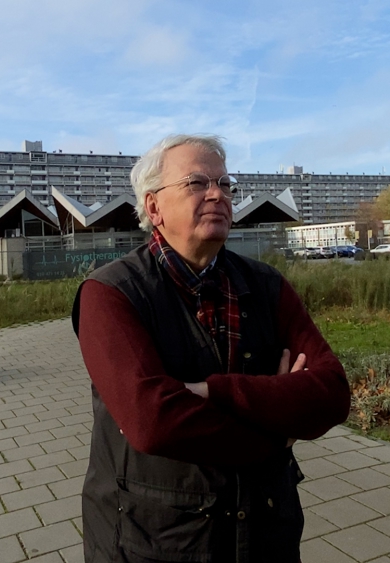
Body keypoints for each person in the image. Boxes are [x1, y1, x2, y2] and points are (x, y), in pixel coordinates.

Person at [71, 134, 350, 563]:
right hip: (155, 541)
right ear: (154, 207)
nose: (218, 194)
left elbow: (331, 392)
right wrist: (276, 430)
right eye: (197, 183)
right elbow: (153, 422)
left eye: (225, 182)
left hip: (265, 531)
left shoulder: (267, 286)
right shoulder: (111, 294)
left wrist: (213, 392)